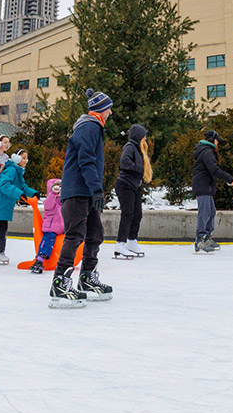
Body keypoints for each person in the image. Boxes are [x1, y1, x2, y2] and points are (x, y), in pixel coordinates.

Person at [49, 89, 115, 308]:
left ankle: (87, 278)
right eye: (109, 108)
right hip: (78, 191)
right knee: (75, 235)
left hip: (85, 191)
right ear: (100, 109)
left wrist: (95, 191)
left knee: (95, 234)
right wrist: (97, 189)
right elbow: (86, 161)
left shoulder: (93, 127)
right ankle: (60, 283)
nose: (111, 112)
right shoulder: (89, 127)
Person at [191, 129, 233, 254]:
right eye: (217, 141)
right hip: (203, 186)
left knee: (211, 212)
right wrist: (230, 179)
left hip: (207, 186)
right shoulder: (206, 152)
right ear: (212, 140)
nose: (218, 144)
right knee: (205, 213)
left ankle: (207, 237)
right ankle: (199, 239)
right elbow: (214, 170)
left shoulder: (206, 151)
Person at [113, 124, 150, 259]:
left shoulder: (139, 149)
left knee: (137, 214)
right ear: (138, 136)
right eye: (144, 135)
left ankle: (132, 241)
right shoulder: (129, 147)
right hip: (124, 185)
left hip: (134, 186)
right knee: (128, 213)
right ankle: (120, 243)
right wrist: (140, 169)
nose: (145, 138)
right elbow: (125, 163)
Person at [30, 179, 63, 273]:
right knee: (48, 240)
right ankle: (40, 259)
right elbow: (48, 206)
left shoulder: (63, 201)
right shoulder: (50, 199)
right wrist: (53, 194)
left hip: (62, 229)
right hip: (51, 228)